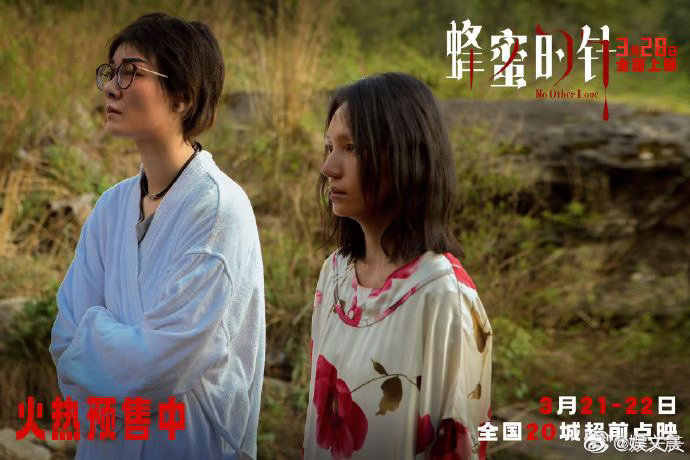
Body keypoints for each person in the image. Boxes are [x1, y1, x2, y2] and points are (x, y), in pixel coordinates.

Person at [49, 13, 265, 459]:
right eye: (111, 72)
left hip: (188, 441)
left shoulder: (218, 209)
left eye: (131, 72)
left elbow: (164, 363)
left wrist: (100, 341)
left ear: (183, 95)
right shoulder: (111, 207)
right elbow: (65, 338)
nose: (112, 87)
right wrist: (127, 352)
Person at [303, 73, 492, 459]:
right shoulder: (335, 275)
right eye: (329, 147)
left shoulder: (444, 295)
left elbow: (457, 445)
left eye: (351, 147)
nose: (329, 167)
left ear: (404, 155)